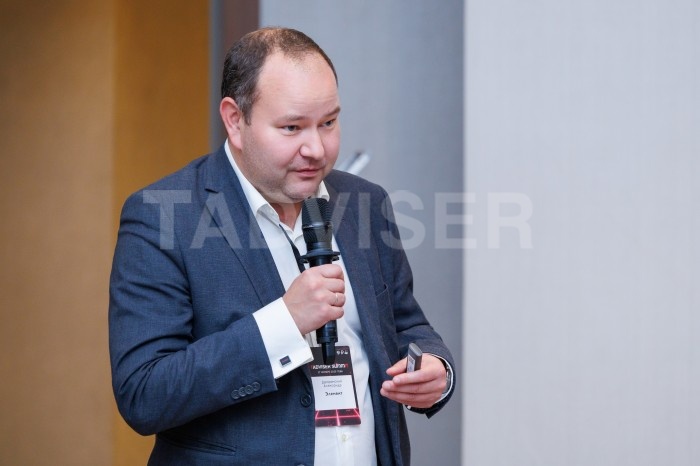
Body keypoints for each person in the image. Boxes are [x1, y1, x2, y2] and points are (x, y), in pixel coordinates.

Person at [109, 27, 455, 465]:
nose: (317, 149)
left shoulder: (365, 203)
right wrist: (283, 323)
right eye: (292, 127)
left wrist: (435, 370)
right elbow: (144, 393)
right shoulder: (164, 216)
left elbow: (406, 326)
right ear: (235, 120)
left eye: (328, 123)